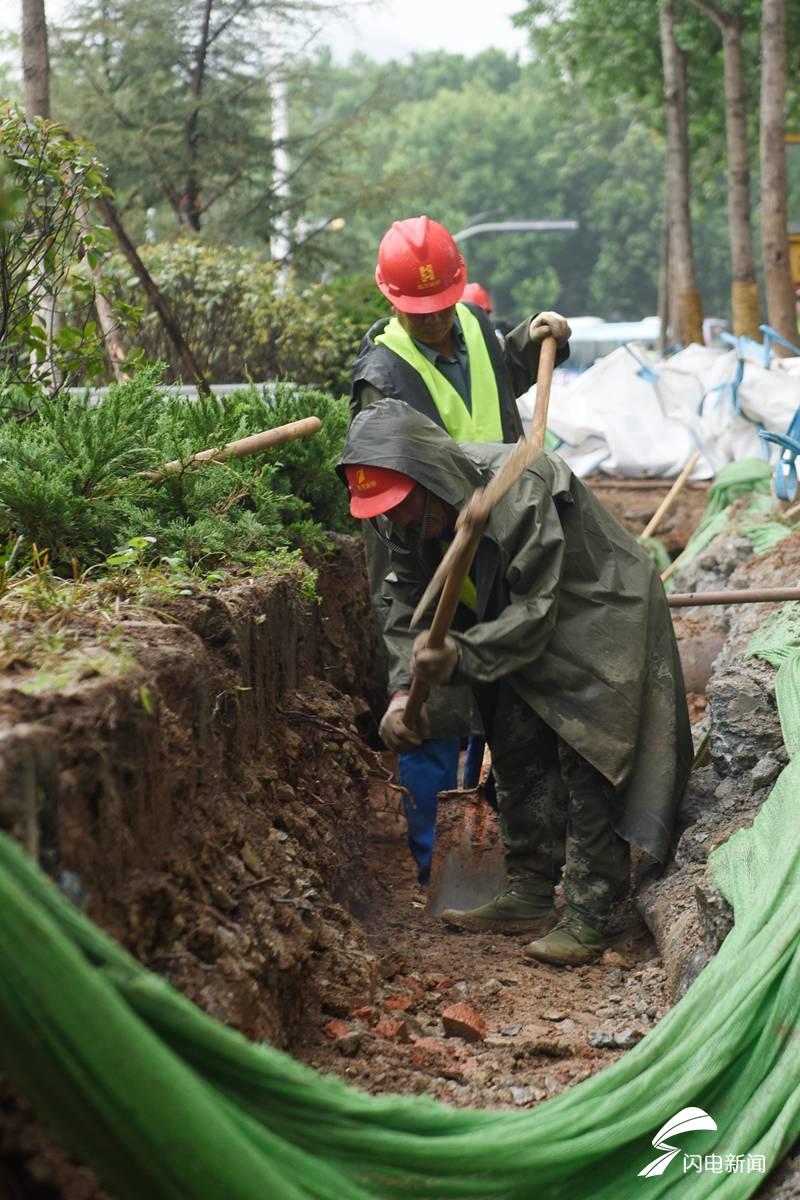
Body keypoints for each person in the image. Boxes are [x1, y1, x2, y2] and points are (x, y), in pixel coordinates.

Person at [339, 399, 693, 966]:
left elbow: (538, 612)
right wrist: (405, 689)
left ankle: (590, 913)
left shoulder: (520, 487)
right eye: (385, 510)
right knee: (516, 746)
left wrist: (459, 654)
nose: (399, 520)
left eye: (403, 504)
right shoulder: (403, 519)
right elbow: (404, 600)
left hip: (595, 608)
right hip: (508, 621)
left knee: (589, 755)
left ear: (427, 476)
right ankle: (528, 891)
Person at [350, 215, 571, 885]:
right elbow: (390, 551)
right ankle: (432, 868)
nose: (436, 322)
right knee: (432, 711)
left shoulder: (470, 325)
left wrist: (530, 339)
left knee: (510, 708)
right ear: (391, 300)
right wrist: (397, 683)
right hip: (435, 554)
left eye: (443, 306)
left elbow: (495, 381)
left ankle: (521, 856)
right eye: (420, 314)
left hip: (505, 545)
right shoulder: (381, 380)